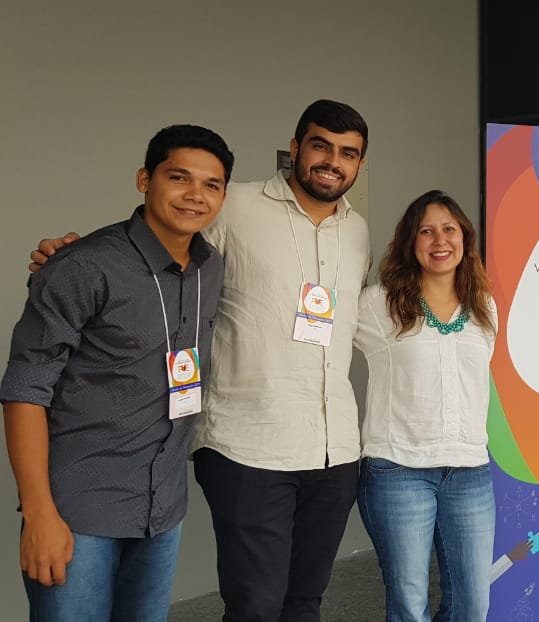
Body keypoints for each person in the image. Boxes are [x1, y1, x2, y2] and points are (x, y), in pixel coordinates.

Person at [31, 100, 371, 622]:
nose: (332, 161)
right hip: (249, 445)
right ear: (296, 147)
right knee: (255, 605)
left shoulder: (358, 230)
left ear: (359, 164)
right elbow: (158, 246)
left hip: (335, 447)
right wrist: (72, 256)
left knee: (305, 600)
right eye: (321, 145)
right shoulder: (235, 204)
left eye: (348, 153)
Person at [3, 125, 233, 621]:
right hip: (78, 510)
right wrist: (39, 515)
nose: (195, 195)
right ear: (144, 180)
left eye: (211, 184)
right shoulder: (84, 266)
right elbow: (25, 389)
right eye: (179, 177)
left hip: (162, 508)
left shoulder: (210, 267)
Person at [354, 191, 497, 622]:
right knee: (409, 605)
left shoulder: (484, 306)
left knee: (472, 605)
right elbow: (319, 341)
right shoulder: (377, 304)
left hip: (469, 471)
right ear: (410, 241)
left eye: (449, 229)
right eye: (426, 231)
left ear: (464, 238)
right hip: (398, 470)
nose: (440, 240)